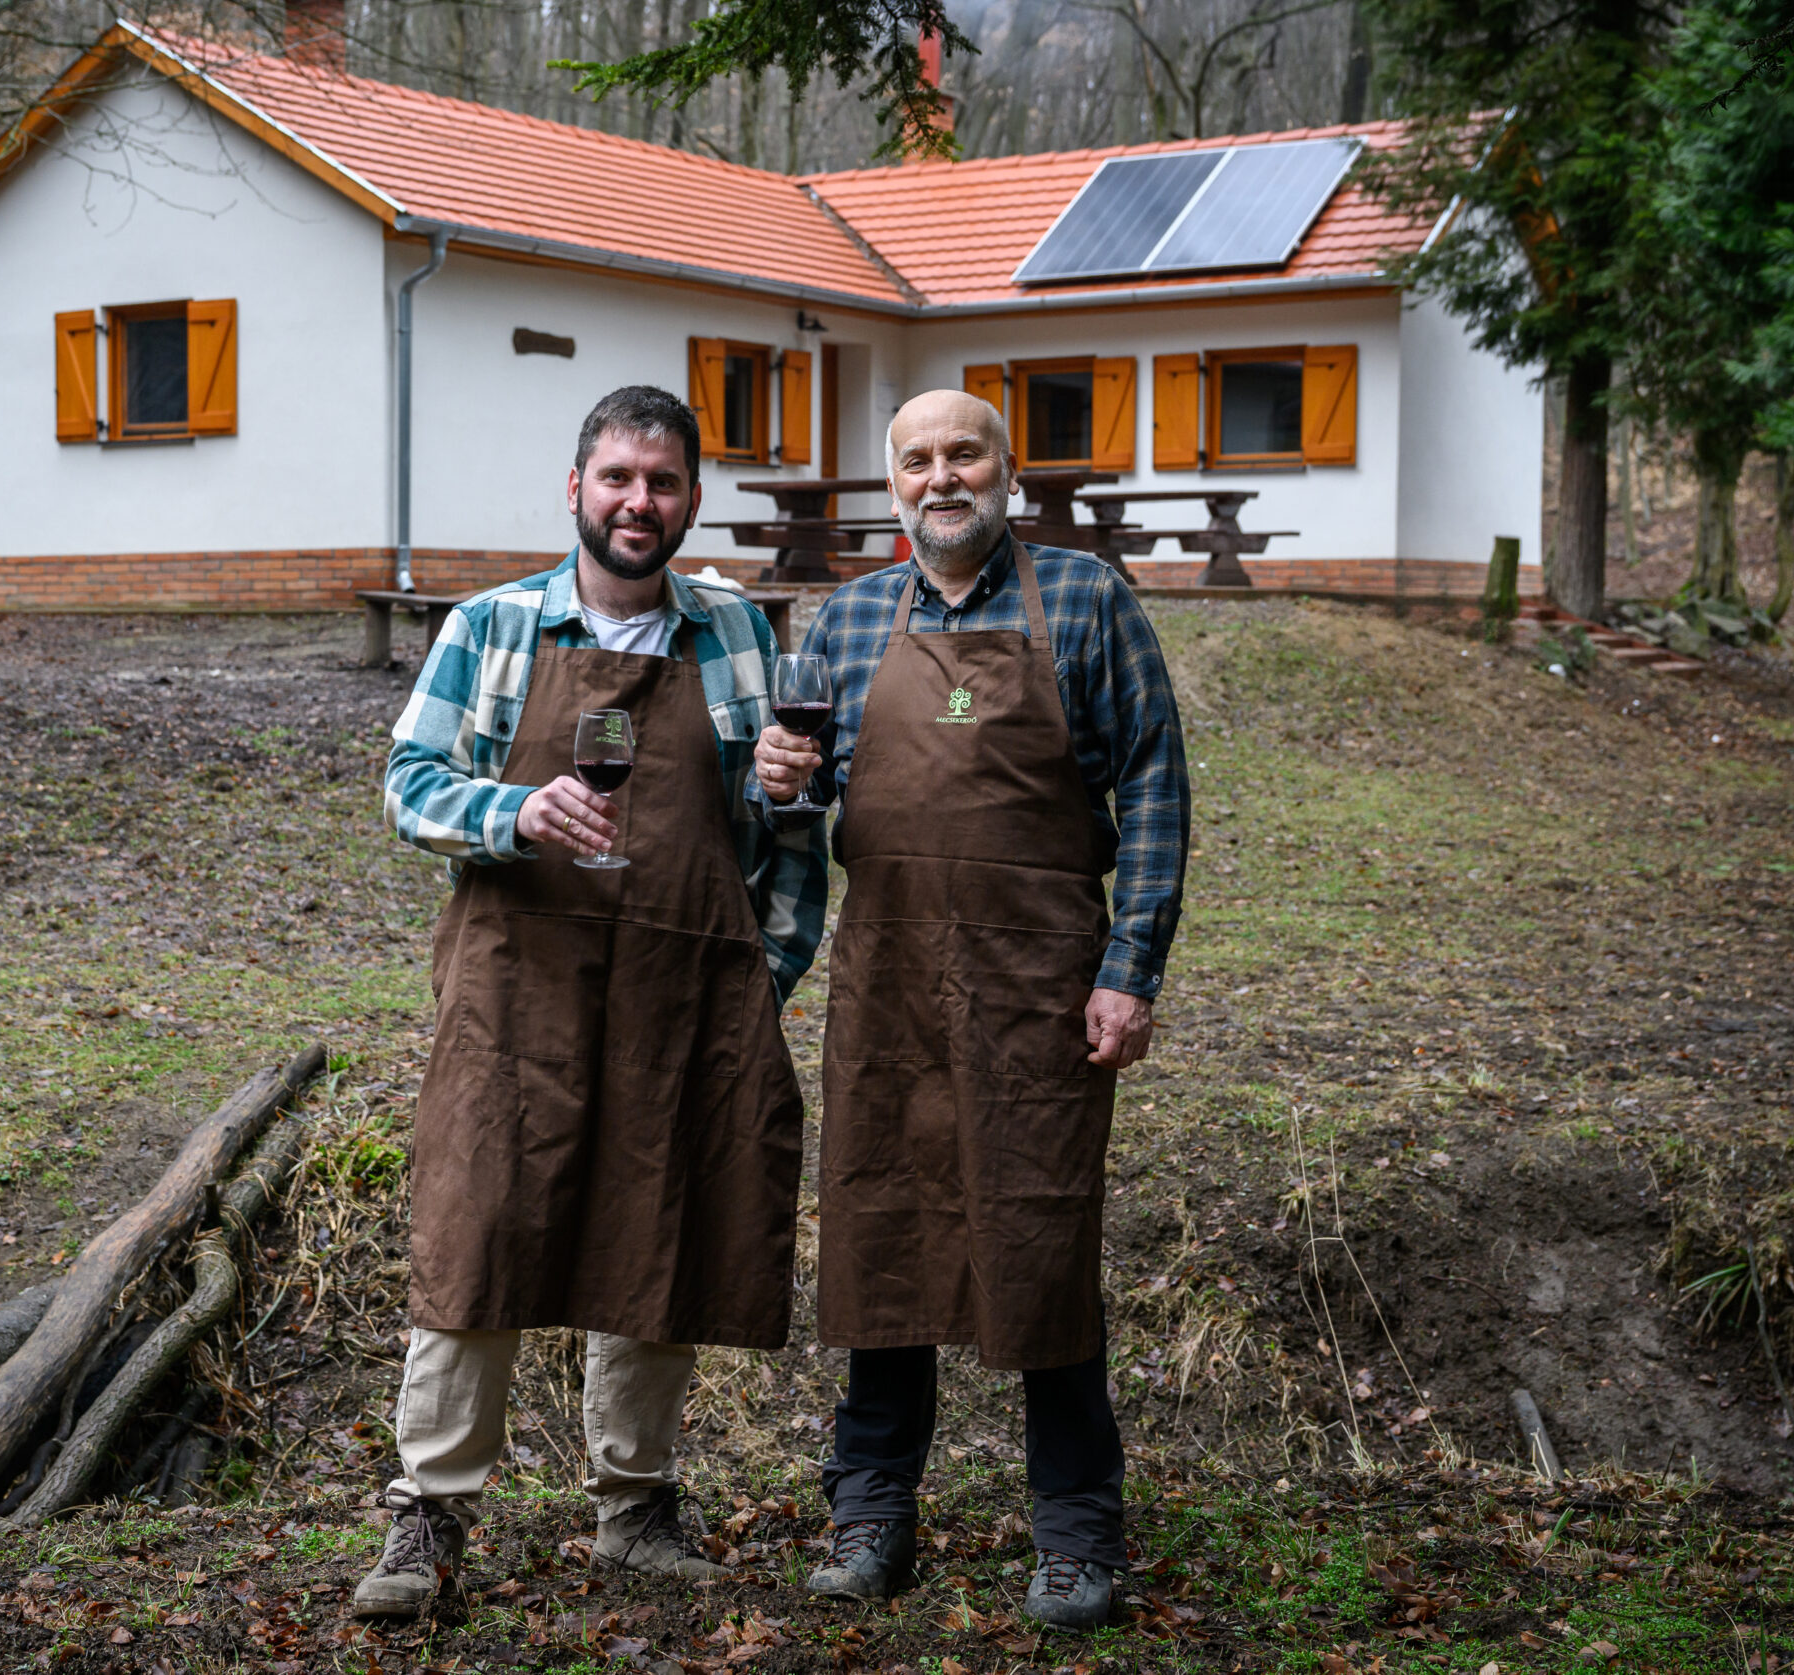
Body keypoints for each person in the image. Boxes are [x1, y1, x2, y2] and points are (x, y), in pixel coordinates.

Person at [357, 385, 823, 1618]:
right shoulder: (490, 626)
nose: (637, 502)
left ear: (692, 500)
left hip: (682, 990)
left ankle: (634, 1508)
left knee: (658, 1222)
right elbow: (406, 786)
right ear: (576, 489)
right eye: (617, 477)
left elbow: (784, 822)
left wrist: (761, 972)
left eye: (662, 483)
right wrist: (514, 810)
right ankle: (429, 1515)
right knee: (477, 1222)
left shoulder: (736, 634)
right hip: (520, 991)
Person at [754, 388, 1188, 1631]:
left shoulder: (1086, 600)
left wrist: (1129, 969)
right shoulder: (846, 619)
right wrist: (779, 781)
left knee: (1039, 1239)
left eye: (963, 455)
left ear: (1007, 470)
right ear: (892, 482)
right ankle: (870, 1515)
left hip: (1038, 985)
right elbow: (811, 805)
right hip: (887, 980)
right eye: (916, 460)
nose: (940, 478)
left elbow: (1155, 783)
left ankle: (1077, 1535)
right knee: (881, 1228)